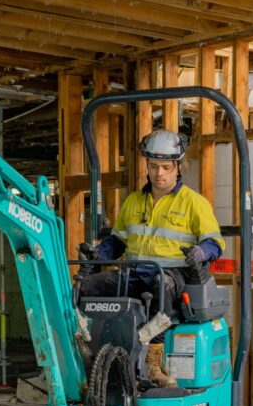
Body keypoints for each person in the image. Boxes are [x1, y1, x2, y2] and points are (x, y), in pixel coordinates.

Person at [79, 128, 225, 387]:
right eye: (154, 166)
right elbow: (118, 242)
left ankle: (154, 363)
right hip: (134, 274)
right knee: (84, 287)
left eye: (166, 167)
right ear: (147, 165)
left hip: (173, 277)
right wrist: (98, 254)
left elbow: (215, 242)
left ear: (178, 167)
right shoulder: (133, 202)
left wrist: (201, 252)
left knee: (161, 286)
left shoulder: (194, 203)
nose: (159, 173)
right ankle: (84, 348)